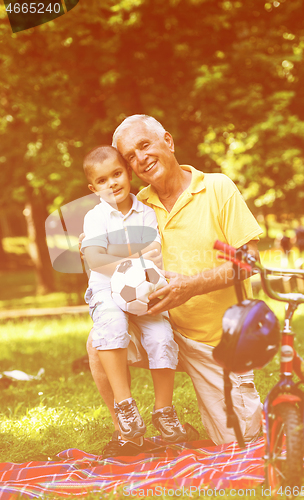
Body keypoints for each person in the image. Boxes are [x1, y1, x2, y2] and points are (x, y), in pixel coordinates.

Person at [86, 115, 263, 449]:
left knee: (242, 443)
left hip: (217, 344)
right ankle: (128, 434)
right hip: (162, 326)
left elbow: (250, 260)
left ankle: (197, 424)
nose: (140, 158)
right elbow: (102, 238)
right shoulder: (139, 204)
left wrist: (191, 286)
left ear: (167, 141)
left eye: (144, 145)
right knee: (100, 340)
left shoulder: (217, 187)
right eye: (130, 156)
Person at [81, 145, 186, 445]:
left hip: (145, 286)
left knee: (162, 335)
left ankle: (164, 409)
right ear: (93, 188)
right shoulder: (95, 217)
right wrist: (130, 257)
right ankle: (124, 403)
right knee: (111, 325)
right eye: (102, 181)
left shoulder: (147, 213)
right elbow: (94, 260)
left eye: (116, 174)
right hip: (105, 287)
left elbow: (152, 253)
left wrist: (110, 253)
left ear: (128, 173)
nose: (112, 183)